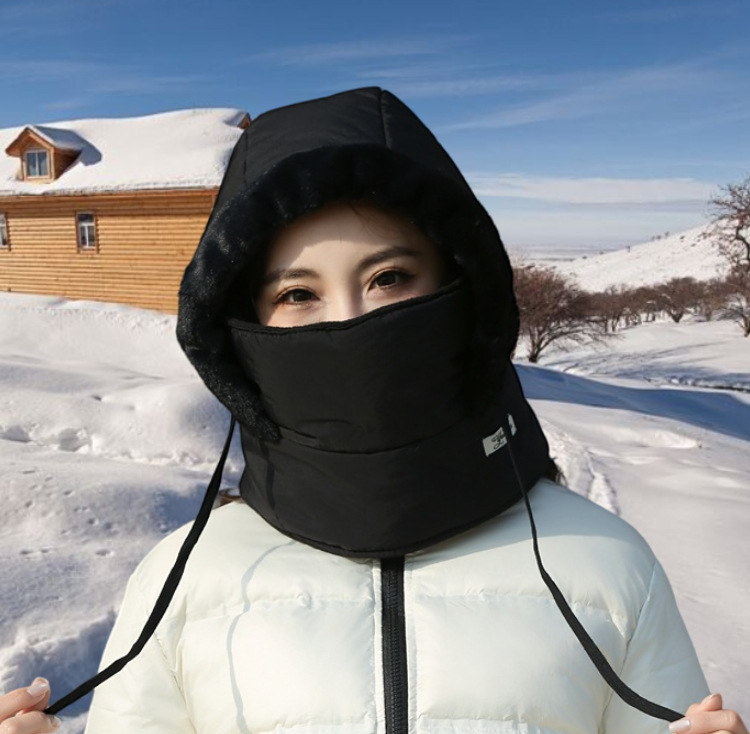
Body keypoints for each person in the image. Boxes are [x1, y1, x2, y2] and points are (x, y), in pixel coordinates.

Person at [3, 88, 746, 734]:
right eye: (299, 293)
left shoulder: (607, 564)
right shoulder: (184, 580)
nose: (350, 322)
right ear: (243, 324)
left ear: (462, 286)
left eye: (389, 277)